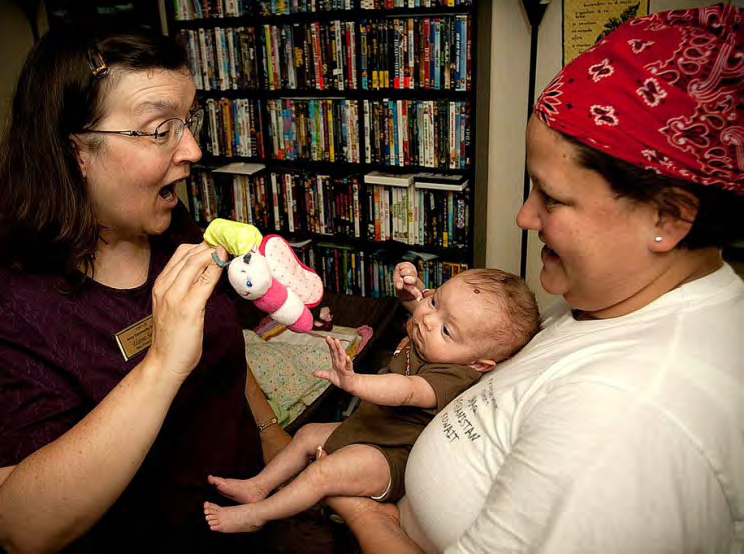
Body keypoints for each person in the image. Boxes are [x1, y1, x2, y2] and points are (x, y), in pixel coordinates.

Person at [325, 4, 744, 553]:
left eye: (553, 196)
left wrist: (364, 512)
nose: (524, 217)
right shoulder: (619, 298)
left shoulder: (628, 414)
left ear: (667, 218)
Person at [0, 25, 290, 553]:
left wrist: (269, 433)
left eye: (189, 121)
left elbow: (222, 340)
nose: (194, 151)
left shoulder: (171, 224)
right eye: (160, 130)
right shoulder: (16, 306)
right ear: (75, 152)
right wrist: (161, 362)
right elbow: (22, 529)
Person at [202, 266, 540, 533]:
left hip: (390, 457)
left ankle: (257, 515)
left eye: (447, 329)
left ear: (477, 364)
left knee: (324, 474)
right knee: (306, 435)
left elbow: (405, 389)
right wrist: (408, 292)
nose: (426, 319)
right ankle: (258, 486)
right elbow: (419, 308)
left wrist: (354, 382)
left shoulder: (454, 376)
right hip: (370, 428)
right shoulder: (434, 335)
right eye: (436, 301)